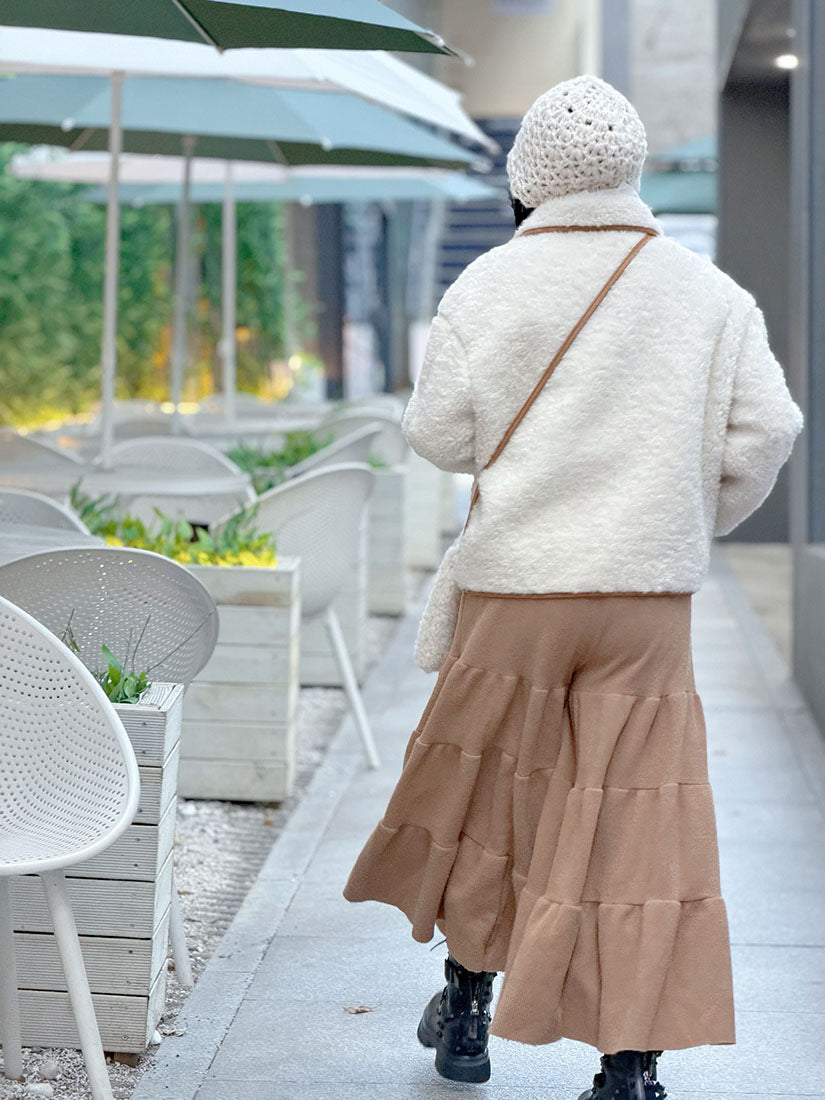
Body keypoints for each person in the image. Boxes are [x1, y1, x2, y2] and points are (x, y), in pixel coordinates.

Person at [344, 74, 803, 1099]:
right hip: (646, 602)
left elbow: (437, 433)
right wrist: (687, 511)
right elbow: (768, 428)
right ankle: (629, 1066)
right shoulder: (710, 295)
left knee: (494, 801)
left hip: (517, 588)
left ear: (529, 180)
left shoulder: (488, 284)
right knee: (639, 822)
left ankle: (467, 1006)